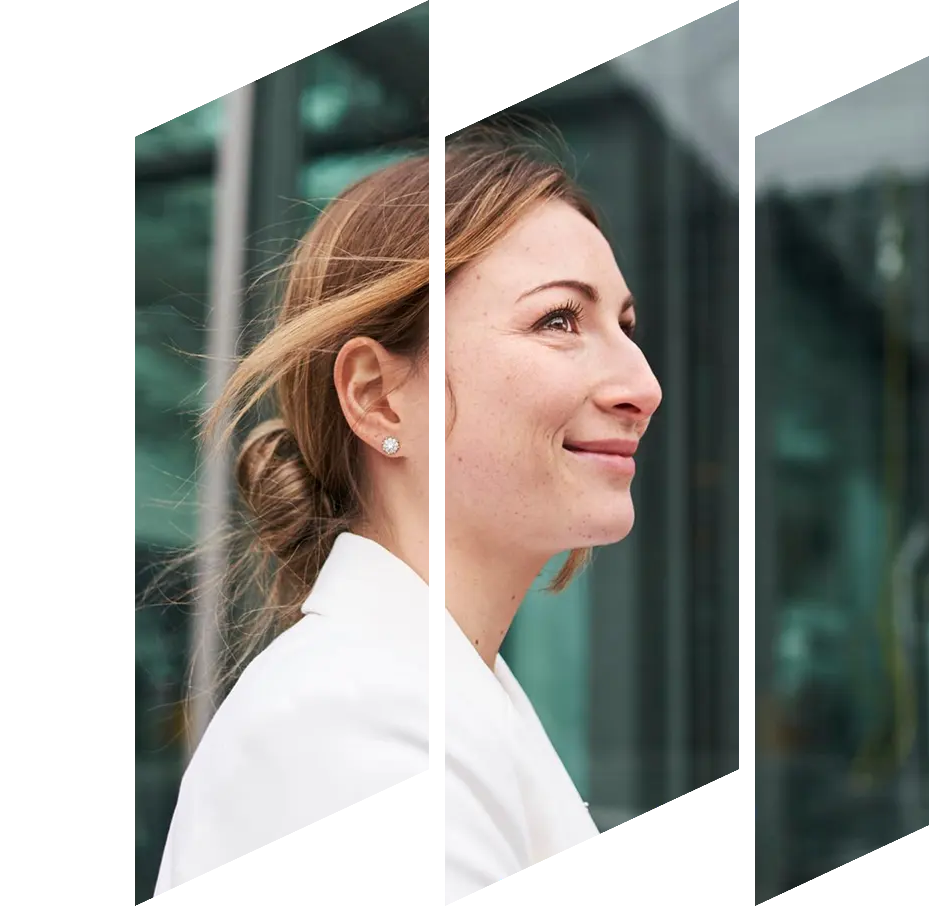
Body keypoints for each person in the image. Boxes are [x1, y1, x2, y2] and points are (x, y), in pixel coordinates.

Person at [153, 126, 663, 905]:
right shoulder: (346, 734)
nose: (642, 385)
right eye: (560, 320)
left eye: (624, 327)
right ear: (377, 395)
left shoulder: (417, 700)